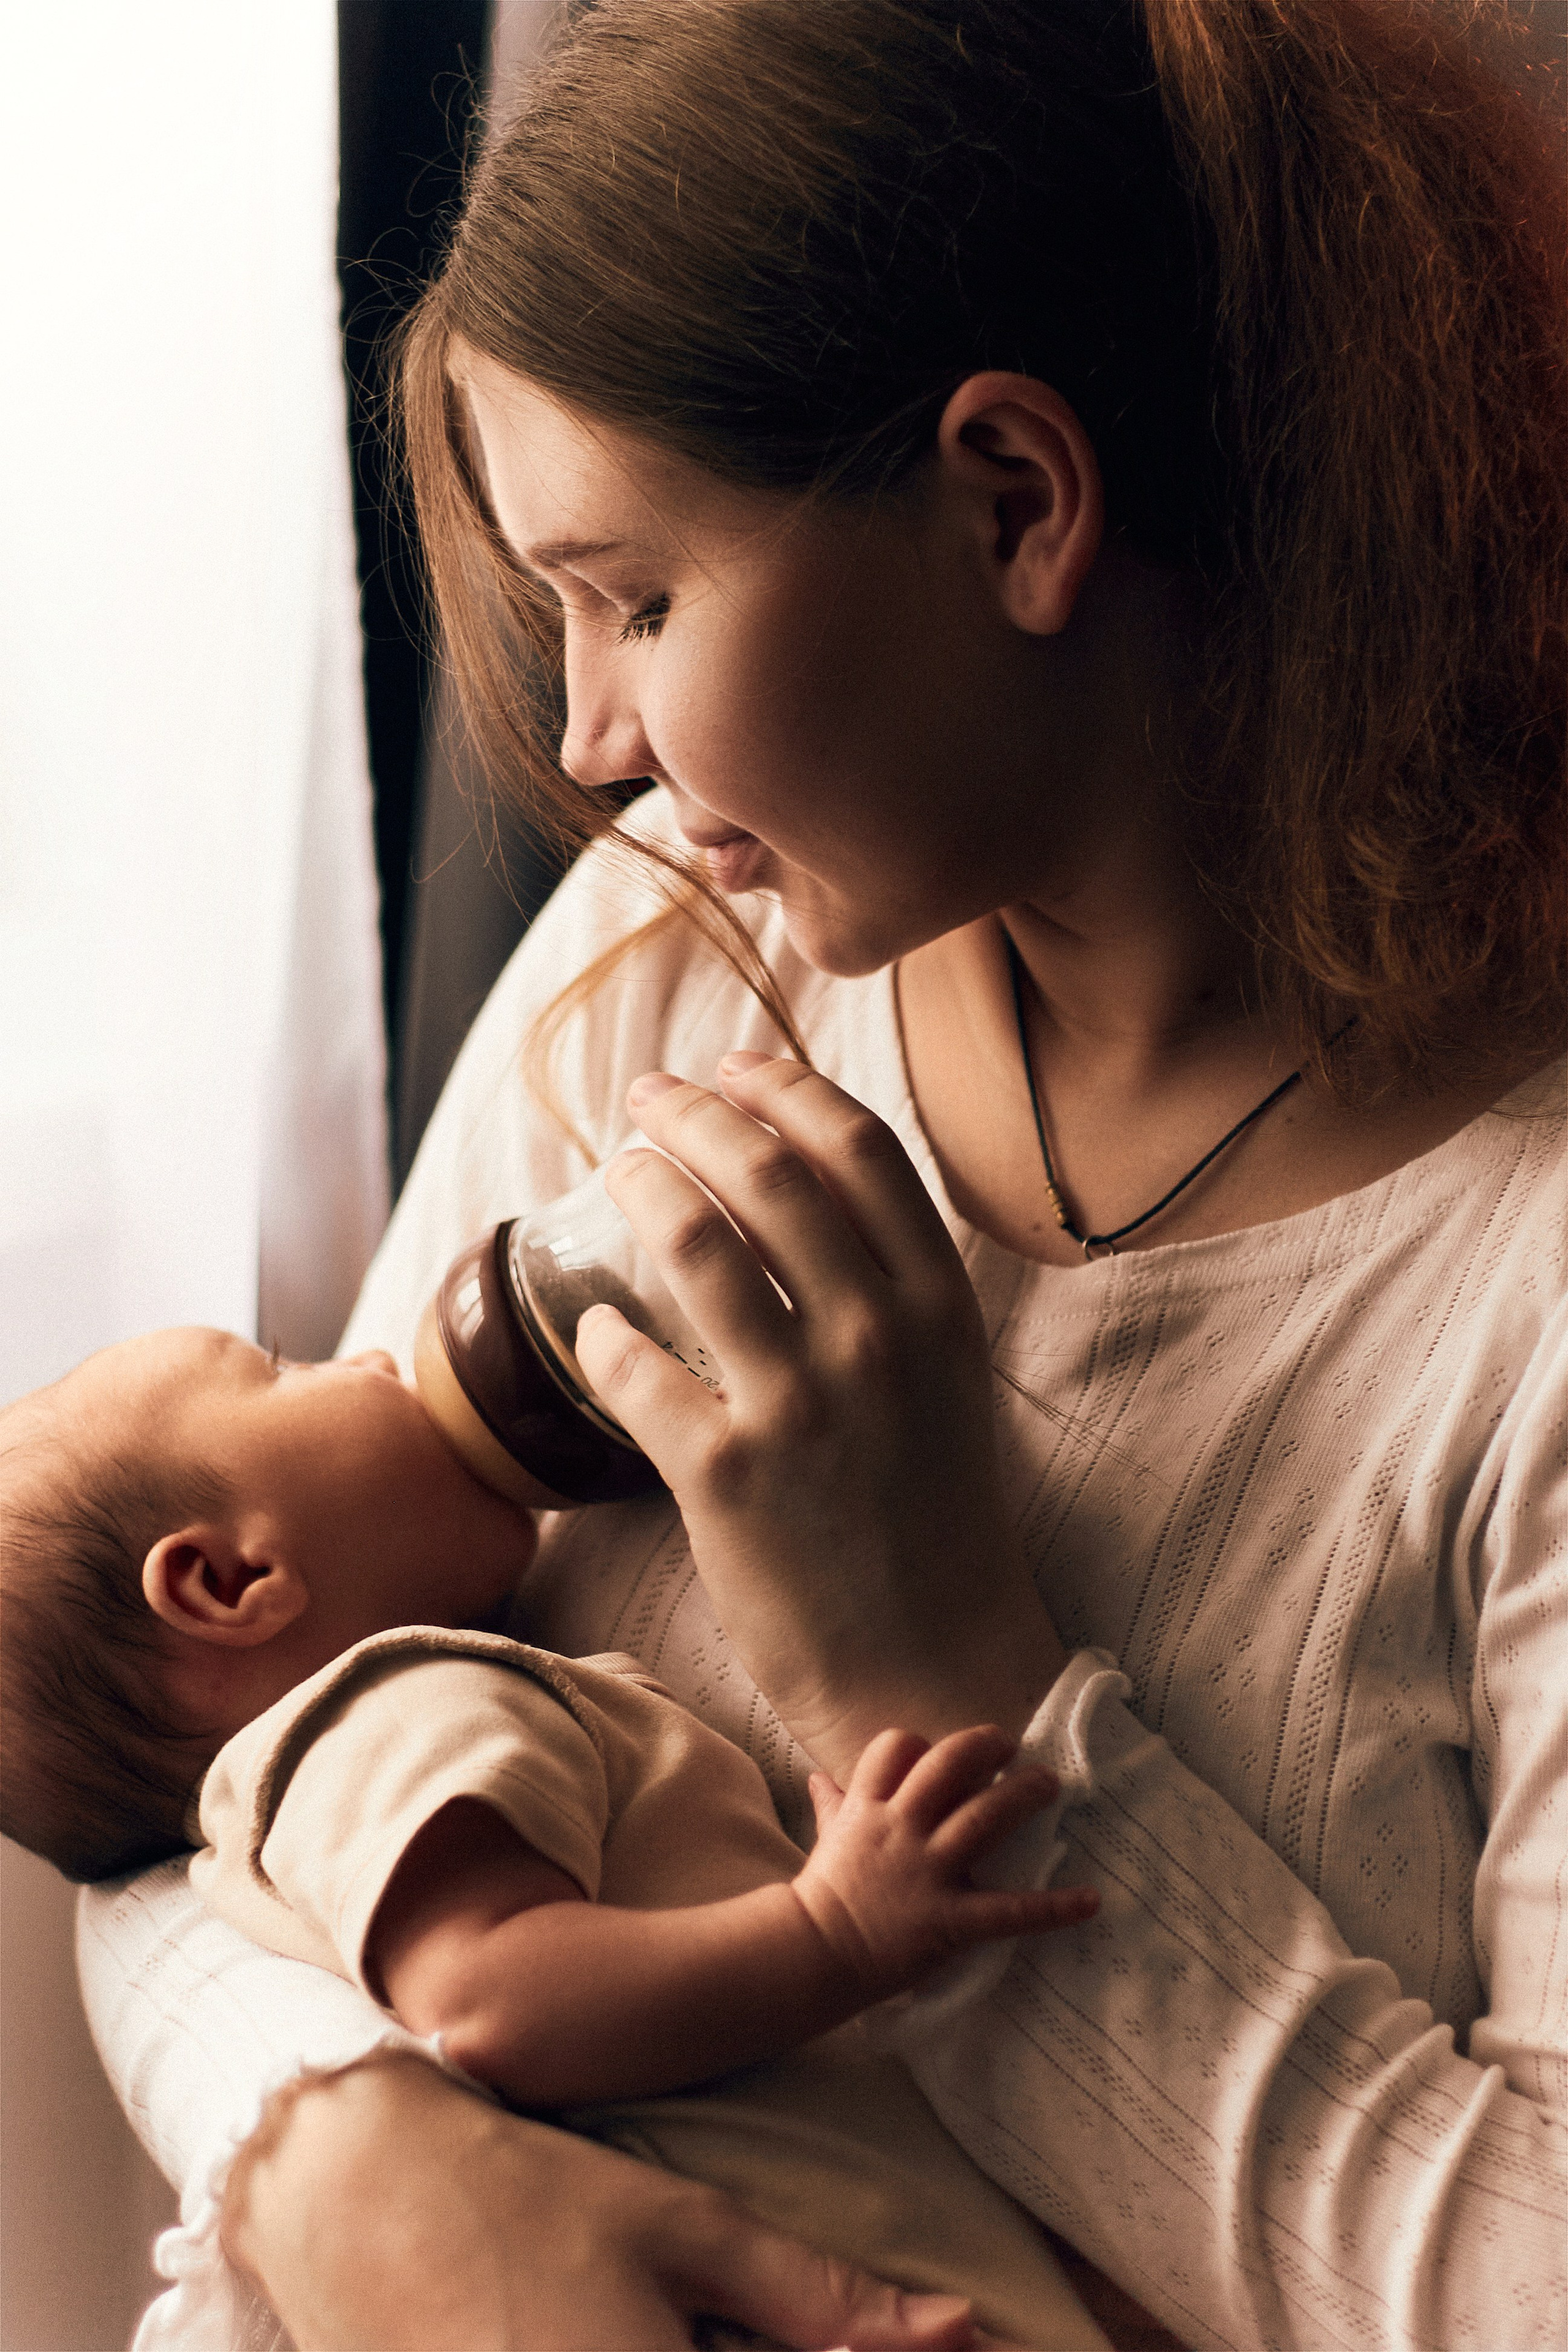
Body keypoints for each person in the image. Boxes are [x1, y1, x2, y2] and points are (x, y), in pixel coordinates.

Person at [75, 1, 1567, 2348]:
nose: (584, 748)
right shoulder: (682, 957)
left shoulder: (1518, 1296)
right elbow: (210, 1732)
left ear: (1014, 503)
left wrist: (939, 1675)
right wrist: (333, 2147)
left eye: (639, 599)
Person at [1, 1327, 1107, 2350]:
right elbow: (489, 2000)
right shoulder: (389, 1711)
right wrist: (834, 1928)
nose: (377, 1356)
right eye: (286, 1370)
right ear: (229, 1581)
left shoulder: (295, 1806)